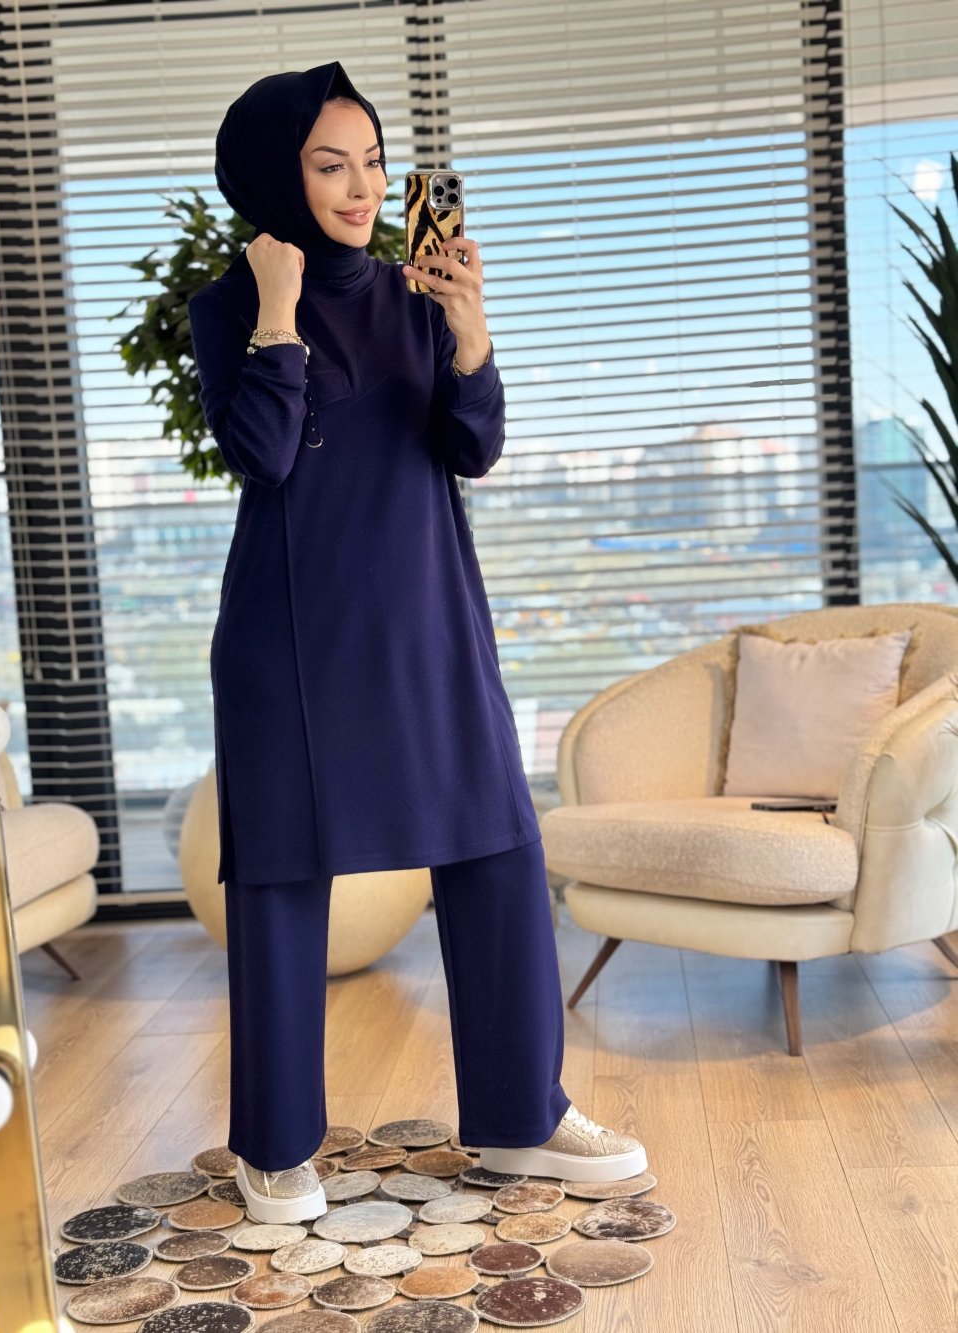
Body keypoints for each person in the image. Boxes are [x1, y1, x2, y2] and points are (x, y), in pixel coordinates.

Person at [188, 60, 649, 1226]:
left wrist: (469, 331)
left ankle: (520, 1116)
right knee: (282, 877)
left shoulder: (415, 295)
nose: (360, 187)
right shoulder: (228, 304)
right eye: (328, 164)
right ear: (274, 177)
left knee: (497, 848)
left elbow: (471, 448)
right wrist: (279, 311)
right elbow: (262, 456)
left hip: (430, 619)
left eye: (373, 162)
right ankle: (275, 1147)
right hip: (293, 641)